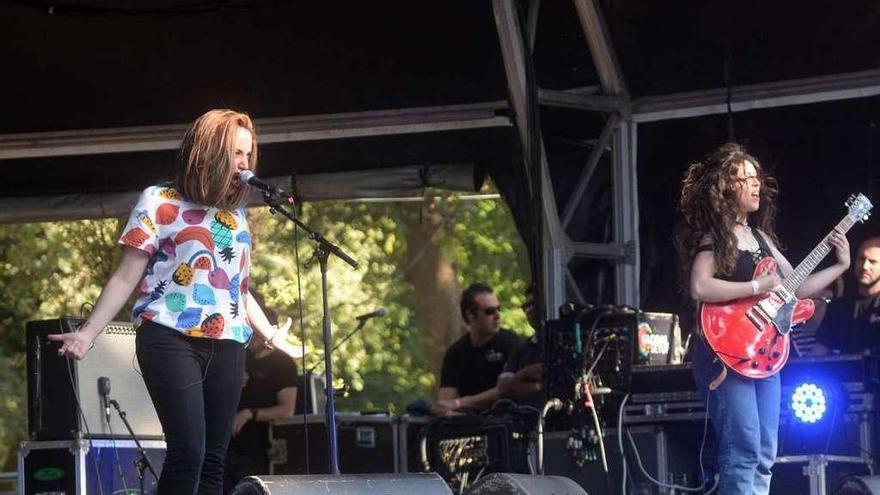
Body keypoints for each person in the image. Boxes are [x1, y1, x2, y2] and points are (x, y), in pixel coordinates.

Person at [49, 109, 299, 495]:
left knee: (215, 460)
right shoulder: (159, 200)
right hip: (170, 336)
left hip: (229, 342)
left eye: (248, 154)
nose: (244, 163)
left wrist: (270, 335)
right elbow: (126, 274)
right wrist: (87, 333)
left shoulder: (235, 213)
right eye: (236, 153)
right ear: (210, 152)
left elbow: (238, 287)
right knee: (189, 452)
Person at [675, 142, 849, 495]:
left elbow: (796, 288)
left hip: (763, 356)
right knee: (744, 449)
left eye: (758, 179)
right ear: (725, 187)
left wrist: (840, 265)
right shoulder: (716, 237)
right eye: (746, 179)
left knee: (765, 452)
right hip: (724, 354)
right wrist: (756, 285)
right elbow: (700, 285)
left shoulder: (761, 238)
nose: (757, 186)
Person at [432, 283, 523, 415]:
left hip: (504, 421)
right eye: (490, 311)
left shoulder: (511, 344)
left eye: (499, 309)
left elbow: (505, 390)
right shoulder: (456, 352)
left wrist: (459, 403)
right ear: (470, 315)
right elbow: (445, 402)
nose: (497, 316)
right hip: (467, 424)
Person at [223, 338, 298, 493]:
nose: (251, 340)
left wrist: (250, 414)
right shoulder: (241, 356)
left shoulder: (283, 363)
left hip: (260, 445)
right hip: (228, 442)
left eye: (256, 335)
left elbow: (287, 409)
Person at [812, 236, 880, 355]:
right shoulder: (838, 307)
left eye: (872, 262)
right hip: (844, 373)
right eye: (861, 259)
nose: (865, 266)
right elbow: (818, 354)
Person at [497, 285, 543, 408]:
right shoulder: (522, 348)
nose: (529, 310)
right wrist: (524, 373)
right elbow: (503, 388)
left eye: (534, 304)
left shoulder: (564, 342)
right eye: (526, 306)